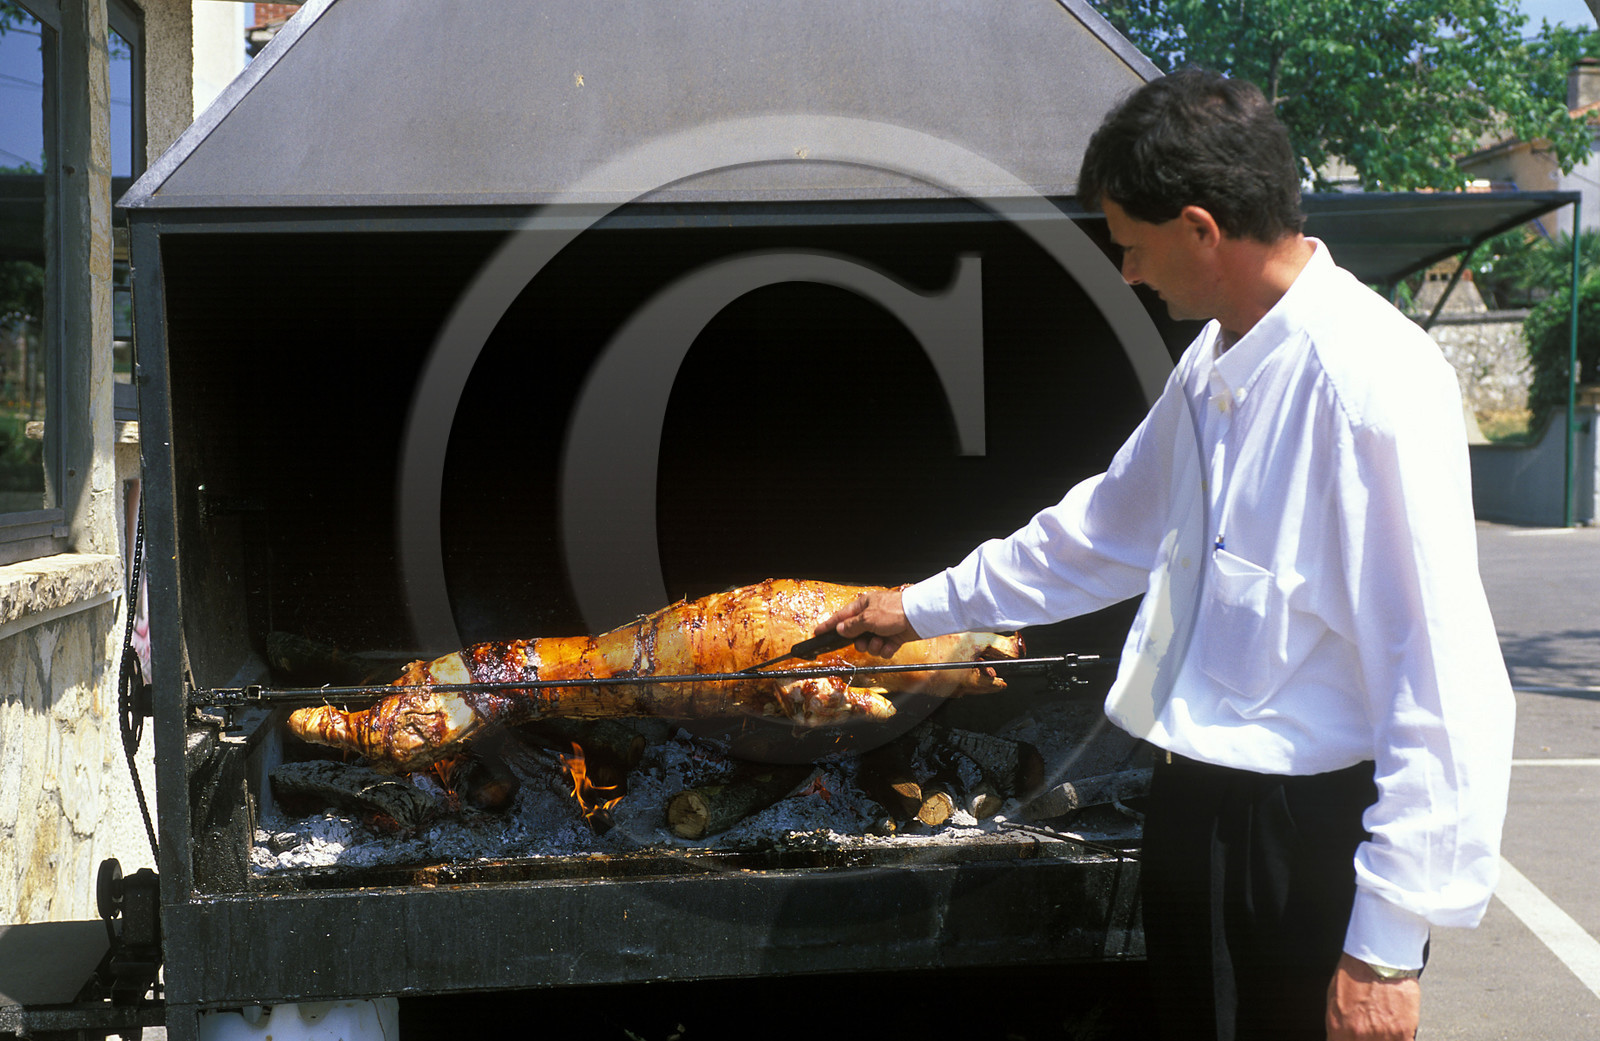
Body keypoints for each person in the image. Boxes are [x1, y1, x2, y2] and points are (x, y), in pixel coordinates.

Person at [817, 70, 1514, 1041]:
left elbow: (1442, 682)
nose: (1127, 275)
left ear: (1199, 228)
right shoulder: (1218, 355)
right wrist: (921, 606)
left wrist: (1385, 947)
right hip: (1198, 802)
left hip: (1301, 840)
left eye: (1132, 248)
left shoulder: (1368, 386)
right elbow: (1107, 529)